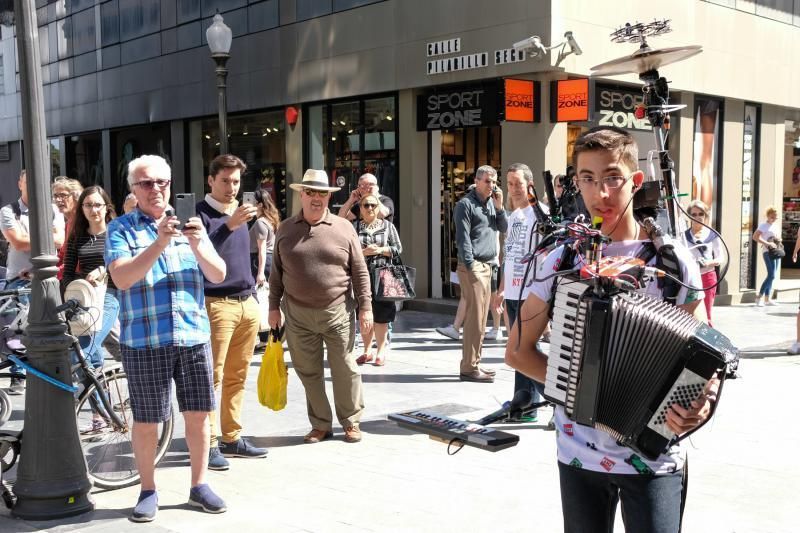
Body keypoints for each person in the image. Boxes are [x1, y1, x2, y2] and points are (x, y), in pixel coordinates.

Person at [505, 126, 714, 533]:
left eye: (612, 178)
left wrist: (704, 398)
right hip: (579, 451)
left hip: (655, 451)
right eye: (587, 179)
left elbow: (706, 350)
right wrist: (576, 386)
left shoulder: (673, 261)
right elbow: (518, 351)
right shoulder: (560, 259)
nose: (600, 193)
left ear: (636, 181)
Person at [105, 155, 227, 522]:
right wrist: (159, 243)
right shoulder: (121, 229)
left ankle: (199, 485)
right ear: (133, 189)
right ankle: (147, 489)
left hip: (192, 335)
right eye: (146, 183)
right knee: (147, 421)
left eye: (162, 182)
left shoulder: (191, 225)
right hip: (145, 339)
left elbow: (218, 274)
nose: (155, 189)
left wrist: (197, 244)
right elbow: (123, 278)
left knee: (199, 416)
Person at [268, 169, 372, 444]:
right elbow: (276, 273)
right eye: (311, 192)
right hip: (297, 314)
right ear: (301, 194)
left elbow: (360, 271)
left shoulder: (343, 227)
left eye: (322, 193)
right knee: (308, 372)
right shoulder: (286, 228)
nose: (316, 198)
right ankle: (321, 424)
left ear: (328, 197)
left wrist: (366, 307)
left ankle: (351, 421)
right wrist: (272, 307)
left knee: (345, 368)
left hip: (337, 311)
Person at [196, 154, 268, 471]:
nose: (231, 187)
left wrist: (253, 292)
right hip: (216, 304)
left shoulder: (239, 214)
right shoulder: (199, 214)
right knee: (212, 377)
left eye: (236, 181)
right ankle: (209, 443)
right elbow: (198, 250)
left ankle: (231, 437)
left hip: (246, 302)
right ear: (211, 180)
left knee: (238, 376)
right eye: (225, 180)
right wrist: (229, 225)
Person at [0, 170, 65, 394]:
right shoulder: (9, 211)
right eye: (29, 182)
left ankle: (46, 374)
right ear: (20, 184)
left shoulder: (53, 209)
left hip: (46, 280)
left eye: (39, 183)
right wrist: (46, 236)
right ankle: (18, 376)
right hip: (18, 281)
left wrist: (32, 239)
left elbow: (59, 240)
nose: (34, 187)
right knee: (16, 332)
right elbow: (17, 242)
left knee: (49, 330)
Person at [492, 163, 548, 422]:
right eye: (510, 183)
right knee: (517, 352)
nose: (513, 188)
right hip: (513, 291)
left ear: (530, 185)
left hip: (531, 292)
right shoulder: (514, 216)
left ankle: (553, 403)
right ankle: (522, 402)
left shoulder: (540, 215)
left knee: (523, 350)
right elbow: (510, 256)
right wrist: (502, 289)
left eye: (518, 183)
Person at [454, 165, 507, 382]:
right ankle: (468, 367)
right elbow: (463, 238)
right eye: (487, 181)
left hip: (489, 266)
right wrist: (470, 264)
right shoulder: (465, 205)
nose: (491, 185)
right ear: (476, 181)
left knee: (482, 318)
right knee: (475, 319)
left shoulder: (492, 204)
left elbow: (503, 227)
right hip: (473, 266)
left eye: (494, 181)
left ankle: (474, 363)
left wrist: (500, 207)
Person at [61, 186, 119, 371]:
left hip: (111, 295)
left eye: (97, 205)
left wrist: (104, 270)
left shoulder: (116, 233)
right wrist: (70, 298)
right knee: (91, 362)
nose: (93, 210)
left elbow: (124, 264)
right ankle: (103, 399)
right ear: (81, 208)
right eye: (88, 205)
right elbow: (68, 273)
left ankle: (68, 396)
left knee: (82, 352)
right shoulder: (77, 236)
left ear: (107, 207)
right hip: (85, 298)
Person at [353, 193, 402, 366]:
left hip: (383, 275)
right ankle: (367, 351)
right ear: (360, 209)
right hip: (362, 275)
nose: (370, 208)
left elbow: (398, 249)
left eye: (373, 205)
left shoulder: (388, 226)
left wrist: (380, 250)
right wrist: (364, 252)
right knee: (364, 312)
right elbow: (348, 250)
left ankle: (380, 351)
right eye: (366, 205)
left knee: (382, 314)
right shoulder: (355, 227)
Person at [250, 188, 281, 346]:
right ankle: (269, 335)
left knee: (261, 298)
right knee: (267, 298)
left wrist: (260, 272)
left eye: (252, 202)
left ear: (260, 204)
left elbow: (261, 248)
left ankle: (266, 336)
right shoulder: (269, 220)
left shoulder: (260, 222)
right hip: (268, 260)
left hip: (261, 260)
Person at [685, 200, 723, 326]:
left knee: (706, 313)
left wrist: (708, 263)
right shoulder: (683, 236)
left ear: (705, 215)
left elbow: (720, 258)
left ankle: (707, 339)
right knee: (689, 313)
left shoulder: (713, 235)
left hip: (707, 278)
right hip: (689, 279)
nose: (697, 217)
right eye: (694, 214)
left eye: (700, 214)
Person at [52, 176, 83, 280]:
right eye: (55, 196)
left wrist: (50, 273)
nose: (58, 200)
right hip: (68, 280)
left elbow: (77, 262)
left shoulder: (83, 223)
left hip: (82, 282)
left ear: (76, 197)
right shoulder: (68, 224)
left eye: (63, 195)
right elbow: (62, 256)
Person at [753, 206, 781, 307]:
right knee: (771, 275)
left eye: (776, 217)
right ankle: (758, 297)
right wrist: (767, 243)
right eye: (772, 217)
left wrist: (778, 239)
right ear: (768, 216)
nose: (774, 219)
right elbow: (755, 237)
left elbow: (776, 237)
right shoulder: (763, 225)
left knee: (772, 276)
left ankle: (767, 299)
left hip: (776, 251)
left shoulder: (776, 226)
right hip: (767, 252)